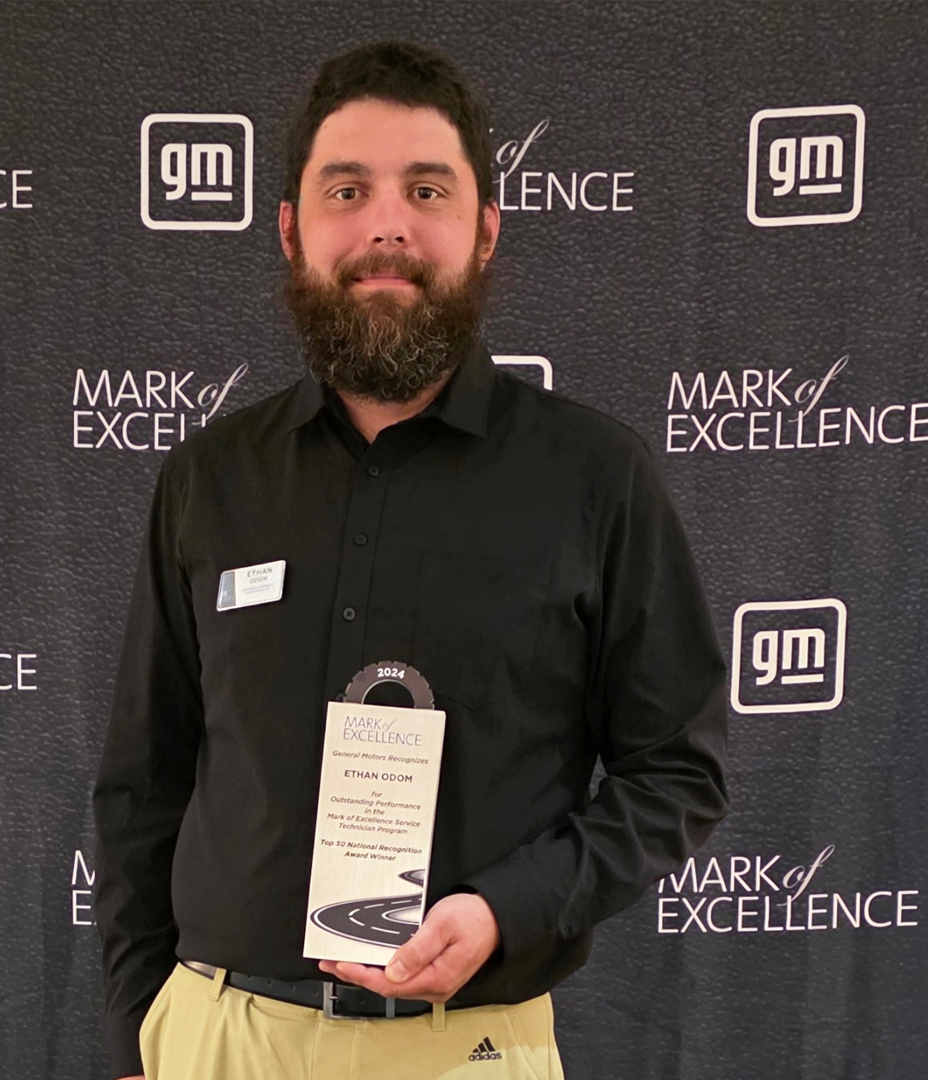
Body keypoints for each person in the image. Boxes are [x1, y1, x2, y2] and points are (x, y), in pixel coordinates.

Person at [93, 39, 729, 1080]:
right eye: (347, 190)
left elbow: (678, 771)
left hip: (466, 1048)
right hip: (219, 1041)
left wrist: (509, 909)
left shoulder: (595, 477)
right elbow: (141, 784)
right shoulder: (210, 478)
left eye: (426, 190)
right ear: (291, 229)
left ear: (485, 230)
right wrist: (137, 1036)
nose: (386, 224)